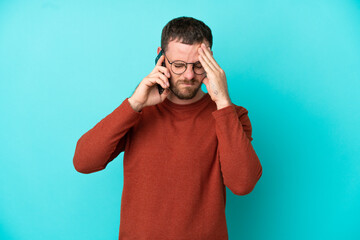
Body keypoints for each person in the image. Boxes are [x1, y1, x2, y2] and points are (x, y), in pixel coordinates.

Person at [73, 16, 262, 240]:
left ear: (212, 62)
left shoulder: (231, 115)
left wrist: (223, 104)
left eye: (198, 65)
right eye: (179, 65)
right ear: (161, 58)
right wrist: (134, 104)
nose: (189, 75)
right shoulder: (137, 112)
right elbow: (84, 162)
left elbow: (243, 184)